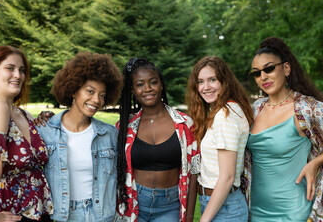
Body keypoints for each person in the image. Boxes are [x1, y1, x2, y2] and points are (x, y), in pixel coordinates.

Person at [34, 51, 123, 221]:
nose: (96, 100)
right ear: (74, 90)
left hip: (101, 216)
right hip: (62, 216)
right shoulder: (44, 131)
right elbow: (24, 167)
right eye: (90, 91)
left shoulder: (110, 134)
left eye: (102, 95)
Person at [0, 45, 53, 222]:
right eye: (10, 68)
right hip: (9, 211)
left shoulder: (22, 114)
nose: (17, 75)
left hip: (33, 210)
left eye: (21, 70)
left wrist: (45, 121)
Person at [243, 37, 323, 221]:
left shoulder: (306, 108)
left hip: (293, 212)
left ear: (286, 68)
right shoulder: (256, 109)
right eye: (256, 73)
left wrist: (315, 162)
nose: (263, 77)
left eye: (269, 69)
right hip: (254, 209)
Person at [115, 58, 200, 222]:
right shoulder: (125, 127)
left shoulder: (184, 124)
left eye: (153, 82)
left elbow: (194, 171)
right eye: (140, 84)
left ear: (161, 85)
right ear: (132, 90)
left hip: (170, 206)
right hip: (133, 203)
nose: (147, 89)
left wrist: (189, 215)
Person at [186, 56, 252, 222]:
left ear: (225, 82)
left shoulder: (225, 116)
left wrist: (204, 220)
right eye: (200, 82)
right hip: (221, 203)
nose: (206, 87)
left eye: (212, 80)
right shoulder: (226, 110)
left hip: (224, 208)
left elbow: (227, 177)